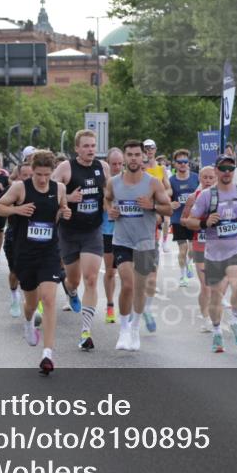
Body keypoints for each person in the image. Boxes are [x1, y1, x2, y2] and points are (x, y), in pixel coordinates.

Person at [0, 150, 72, 375]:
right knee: (31, 303)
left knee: (48, 299)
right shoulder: (20, 188)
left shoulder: (60, 189)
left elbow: (62, 211)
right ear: (32, 170)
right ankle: (28, 323)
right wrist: (17, 209)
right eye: (39, 174)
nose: (43, 179)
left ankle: (48, 353)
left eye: (47, 175)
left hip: (49, 251)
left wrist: (65, 213)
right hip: (25, 253)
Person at [183, 154, 237, 352]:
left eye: (230, 168)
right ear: (216, 171)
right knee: (215, 297)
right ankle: (216, 331)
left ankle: (235, 321)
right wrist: (204, 223)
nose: (227, 172)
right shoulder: (207, 196)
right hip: (214, 252)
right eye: (223, 168)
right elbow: (190, 220)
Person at [105, 140, 173, 351]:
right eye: (130, 155)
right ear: (124, 158)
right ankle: (124, 329)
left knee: (140, 288)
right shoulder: (114, 182)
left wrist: (152, 205)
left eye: (137, 154)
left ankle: (135, 327)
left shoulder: (153, 183)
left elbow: (169, 209)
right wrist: (110, 211)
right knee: (128, 285)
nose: (133, 158)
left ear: (143, 157)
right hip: (122, 240)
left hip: (145, 241)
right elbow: (107, 200)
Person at [52, 129, 108, 351]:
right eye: (85, 146)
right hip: (68, 233)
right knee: (73, 281)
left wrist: (111, 207)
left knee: (91, 279)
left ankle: (86, 332)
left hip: (93, 231)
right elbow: (48, 193)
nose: (90, 150)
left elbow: (111, 193)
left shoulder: (102, 168)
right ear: (76, 149)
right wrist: (68, 198)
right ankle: (71, 291)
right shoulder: (65, 168)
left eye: (93, 145)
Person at [181, 166, 217, 329]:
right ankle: (205, 318)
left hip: (219, 245)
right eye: (205, 178)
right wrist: (196, 223)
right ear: (199, 179)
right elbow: (183, 219)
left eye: (211, 178)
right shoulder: (193, 197)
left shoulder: (224, 197)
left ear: (216, 178)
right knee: (205, 284)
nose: (208, 181)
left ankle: (216, 313)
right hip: (200, 242)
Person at [141, 138, 172, 327]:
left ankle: (147, 309)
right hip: (137, 220)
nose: (149, 151)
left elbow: (168, 188)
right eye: (146, 148)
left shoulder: (161, 169)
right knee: (137, 276)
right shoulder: (136, 168)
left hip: (155, 215)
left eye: (151, 148)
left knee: (151, 274)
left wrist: (161, 199)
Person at [2, 162, 33, 318]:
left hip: (35, 237)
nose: (28, 178)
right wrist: (16, 210)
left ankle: (35, 305)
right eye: (25, 175)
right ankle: (14, 296)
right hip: (15, 235)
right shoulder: (13, 190)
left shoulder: (43, 189)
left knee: (35, 273)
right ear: (18, 176)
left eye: (31, 175)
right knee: (15, 272)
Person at [168, 148, 200, 287]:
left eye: (185, 161)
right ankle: (182, 276)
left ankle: (189, 263)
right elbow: (166, 198)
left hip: (193, 219)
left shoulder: (196, 177)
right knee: (183, 249)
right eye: (179, 162)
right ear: (175, 164)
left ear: (188, 163)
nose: (182, 164)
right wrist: (170, 203)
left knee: (193, 249)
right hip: (178, 219)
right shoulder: (171, 180)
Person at [101, 147, 124, 324]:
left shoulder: (130, 181)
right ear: (108, 164)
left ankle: (132, 308)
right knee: (110, 271)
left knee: (128, 273)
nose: (117, 167)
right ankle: (110, 305)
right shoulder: (104, 183)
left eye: (119, 164)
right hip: (108, 232)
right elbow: (103, 207)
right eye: (113, 164)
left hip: (127, 233)